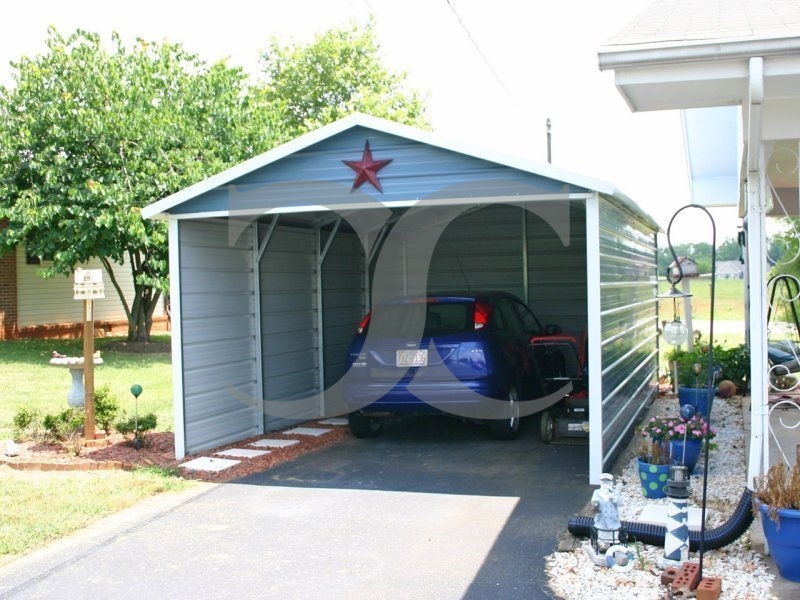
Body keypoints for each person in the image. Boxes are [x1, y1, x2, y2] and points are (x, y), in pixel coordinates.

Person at [591, 472, 623, 547]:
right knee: (602, 535)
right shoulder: (597, 492)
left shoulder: (615, 492)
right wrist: (595, 502)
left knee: (613, 534)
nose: (605, 484)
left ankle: (614, 546)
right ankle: (602, 547)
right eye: (603, 482)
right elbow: (593, 503)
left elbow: (620, 503)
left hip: (612, 518)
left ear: (611, 483)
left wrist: (614, 498)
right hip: (602, 519)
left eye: (607, 482)